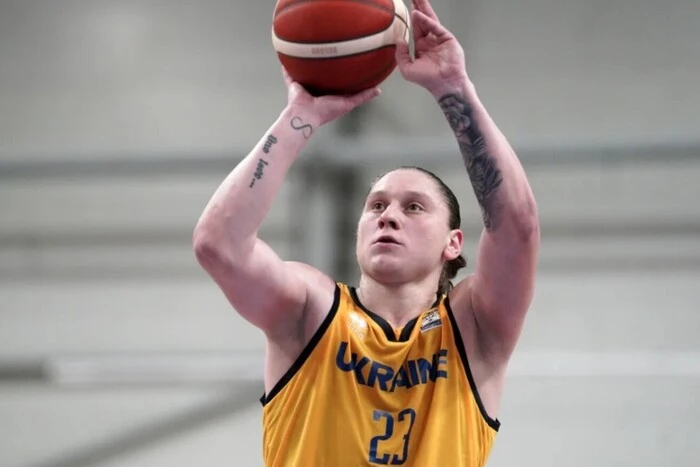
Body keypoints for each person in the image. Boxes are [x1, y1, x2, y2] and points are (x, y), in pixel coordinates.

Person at [193, 1, 540, 465]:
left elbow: (517, 227)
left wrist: (454, 87)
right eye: (376, 205)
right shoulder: (311, 311)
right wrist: (299, 117)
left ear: (453, 243)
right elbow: (218, 245)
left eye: (413, 207)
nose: (388, 216)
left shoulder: (474, 329)